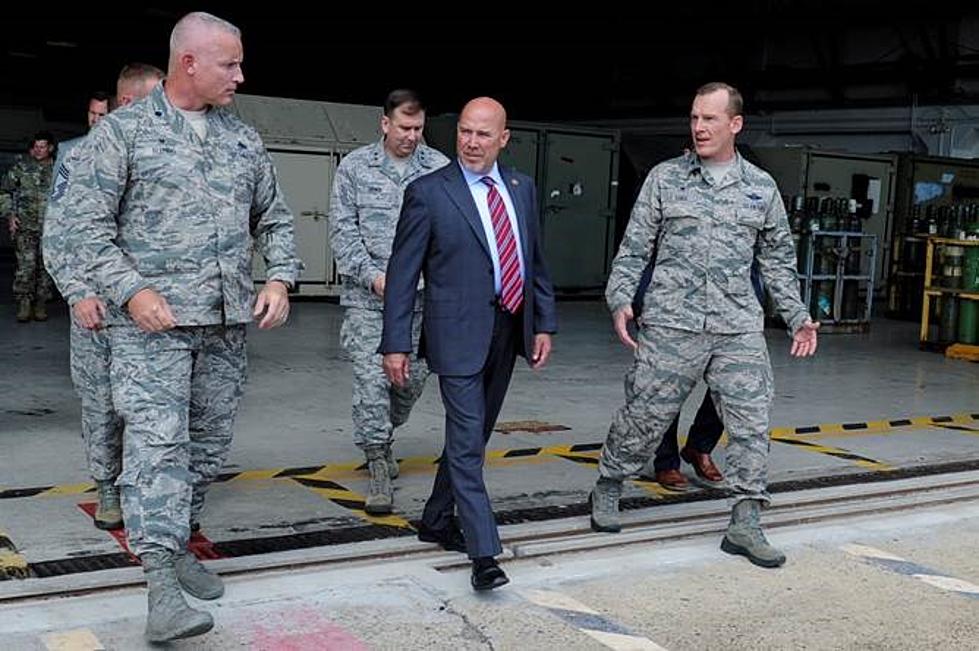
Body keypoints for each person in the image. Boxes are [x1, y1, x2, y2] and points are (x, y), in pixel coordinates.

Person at [60, 12, 301, 642]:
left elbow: (275, 217)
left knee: (207, 447)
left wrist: (278, 278)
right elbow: (86, 229)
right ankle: (161, 585)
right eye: (231, 64)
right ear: (188, 62)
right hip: (151, 330)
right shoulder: (123, 134)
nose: (241, 77)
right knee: (156, 447)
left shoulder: (242, 140)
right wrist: (131, 291)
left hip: (224, 328)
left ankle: (179, 541)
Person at [590, 82, 819, 570]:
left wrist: (798, 316)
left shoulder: (761, 187)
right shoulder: (665, 179)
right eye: (694, 118)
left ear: (735, 124)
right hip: (672, 323)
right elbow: (634, 249)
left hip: (737, 325)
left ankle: (745, 518)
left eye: (710, 119)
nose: (698, 128)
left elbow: (778, 260)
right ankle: (609, 482)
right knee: (645, 414)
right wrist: (619, 299)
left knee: (752, 424)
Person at [380, 97, 557, 591]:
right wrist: (395, 342)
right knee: (466, 443)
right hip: (455, 333)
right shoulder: (429, 193)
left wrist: (543, 324)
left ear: (503, 138)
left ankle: (437, 519)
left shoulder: (521, 189)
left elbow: (535, 261)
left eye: (483, 134)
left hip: (509, 329)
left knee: (472, 439)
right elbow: (402, 274)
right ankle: (484, 553)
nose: (471, 142)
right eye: (464, 132)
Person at [44, 66, 164, 531]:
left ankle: (147, 486)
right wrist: (78, 294)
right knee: (100, 402)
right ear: (130, 104)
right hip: (97, 307)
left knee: (151, 404)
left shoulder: (167, 153)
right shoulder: (78, 157)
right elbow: (60, 237)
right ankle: (107, 484)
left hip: (147, 309)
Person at [329, 89, 448, 514]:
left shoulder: (438, 168)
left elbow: (450, 235)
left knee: (409, 383)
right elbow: (343, 233)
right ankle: (378, 460)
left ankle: (383, 430)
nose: (411, 136)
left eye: (418, 128)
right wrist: (373, 276)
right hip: (369, 300)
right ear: (385, 124)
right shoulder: (356, 169)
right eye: (403, 127)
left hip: (419, 303)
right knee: (372, 383)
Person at [1, 132, 56, 322]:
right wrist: (10, 215)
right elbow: (4, 191)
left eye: (43, 146)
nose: (39, 150)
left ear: (51, 148)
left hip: (50, 228)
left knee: (46, 268)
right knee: (26, 267)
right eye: (36, 147)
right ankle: (24, 303)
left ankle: (41, 303)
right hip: (25, 227)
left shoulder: (59, 170)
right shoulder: (21, 168)